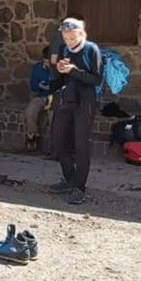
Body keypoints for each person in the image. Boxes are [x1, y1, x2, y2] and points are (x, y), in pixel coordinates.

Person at [47, 17, 102, 205]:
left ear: (81, 33)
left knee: (81, 143)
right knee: (58, 139)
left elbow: (96, 79)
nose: (68, 40)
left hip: (85, 99)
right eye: (65, 37)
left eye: (71, 36)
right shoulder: (63, 49)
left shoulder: (91, 50)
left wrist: (74, 71)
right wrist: (58, 70)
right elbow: (60, 77)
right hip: (67, 96)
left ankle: (80, 187)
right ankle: (68, 178)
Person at [24, 46, 53, 151]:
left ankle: (54, 146)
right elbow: (33, 85)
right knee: (30, 111)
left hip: (54, 98)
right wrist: (41, 86)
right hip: (40, 96)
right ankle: (32, 138)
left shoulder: (59, 69)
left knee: (53, 117)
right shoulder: (38, 67)